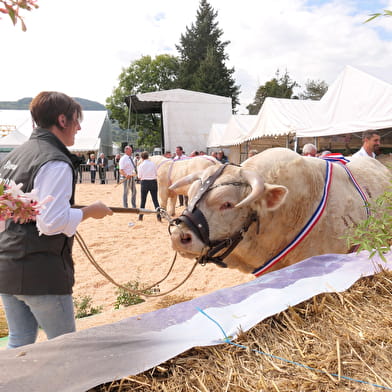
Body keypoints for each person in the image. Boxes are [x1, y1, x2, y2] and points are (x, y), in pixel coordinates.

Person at [0, 91, 113, 349]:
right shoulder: (55, 161)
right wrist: (88, 212)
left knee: (20, 341)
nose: (79, 127)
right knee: (65, 347)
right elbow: (51, 223)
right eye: (76, 120)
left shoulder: (13, 157)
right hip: (40, 270)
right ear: (62, 120)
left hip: (7, 264)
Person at [137, 151, 161, 222]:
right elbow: (156, 173)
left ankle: (140, 217)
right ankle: (159, 216)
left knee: (143, 201)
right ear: (148, 156)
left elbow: (139, 176)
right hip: (153, 182)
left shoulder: (141, 165)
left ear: (142, 157)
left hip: (144, 183)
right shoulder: (153, 164)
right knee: (155, 200)